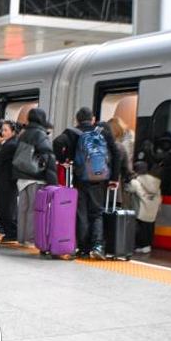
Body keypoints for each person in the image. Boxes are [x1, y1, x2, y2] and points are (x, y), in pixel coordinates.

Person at [53, 107, 121, 258]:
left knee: (81, 212)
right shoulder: (103, 132)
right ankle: (97, 246)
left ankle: (83, 248)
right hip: (100, 179)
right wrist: (114, 178)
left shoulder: (72, 132)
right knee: (96, 213)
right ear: (93, 119)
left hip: (81, 179)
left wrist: (64, 159)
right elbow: (116, 154)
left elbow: (57, 143)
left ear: (77, 120)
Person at [12, 108, 58, 246]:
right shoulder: (40, 134)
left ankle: (21, 238)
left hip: (21, 177)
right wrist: (53, 181)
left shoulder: (23, 133)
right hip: (35, 177)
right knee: (33, 210)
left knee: (23, 210)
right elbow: (48, 156)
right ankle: (30, 239)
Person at [0, 120, 19, 241]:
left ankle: (12, 233)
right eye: (2, 130)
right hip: (6, 179)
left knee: (7, 207)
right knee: (4, 206)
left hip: (8, 180)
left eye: (5, 130)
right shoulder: (8, 143)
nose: (3, 132)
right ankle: (8, 231)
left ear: (13, 131)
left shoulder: (11, 144)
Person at [126, 161, 161, 254]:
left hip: (141, 210)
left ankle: (140, 245)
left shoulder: (135, 181)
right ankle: (147, 245)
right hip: (152, 210)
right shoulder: (155, 182)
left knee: (140, 228)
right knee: (149, 227)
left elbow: (128, 189)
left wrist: (128, 179)